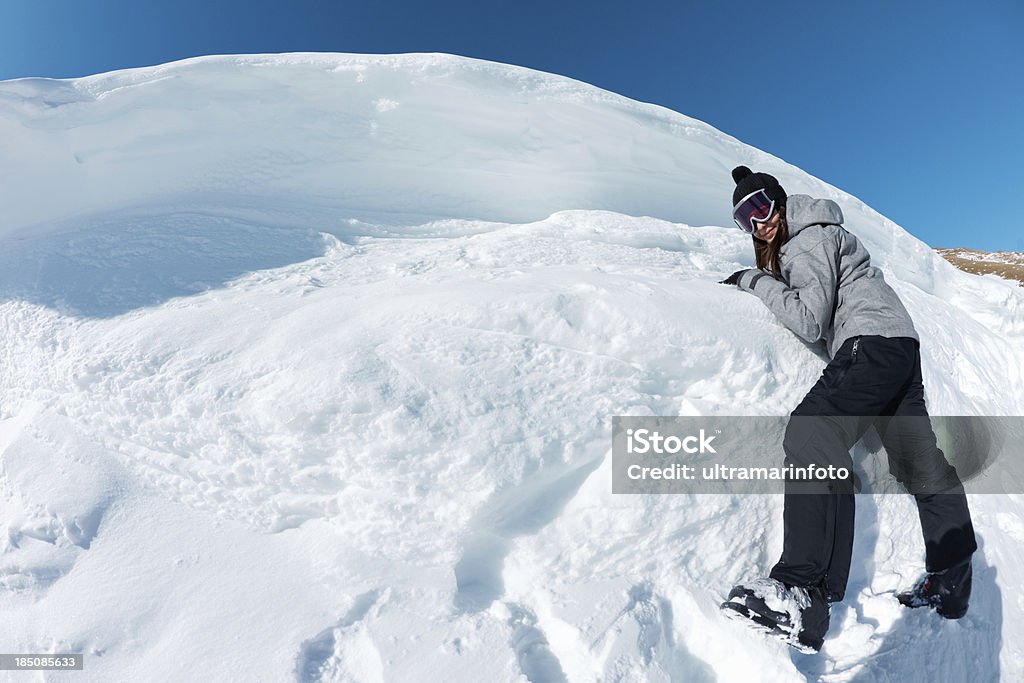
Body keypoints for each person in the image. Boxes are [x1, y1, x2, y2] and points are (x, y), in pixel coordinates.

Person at [717, 166, 978, 653]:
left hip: (871, 343)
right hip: (900, 344)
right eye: (744, 218)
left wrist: (757, 281)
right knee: (920, 463)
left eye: (761, 206)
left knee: (811, 433)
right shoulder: (826, 231)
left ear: (779, 200)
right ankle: (952, 576)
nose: (758, 223)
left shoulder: (807, 240)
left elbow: (811, 319)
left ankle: (801, 589)